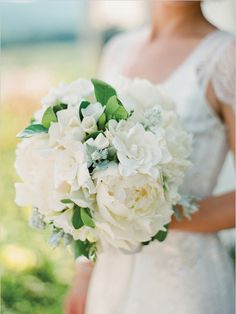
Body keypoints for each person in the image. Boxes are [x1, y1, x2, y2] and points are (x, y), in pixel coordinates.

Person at [65, 1, 235, 313]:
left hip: (185, 284)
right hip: (109, 278)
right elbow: (89, 174)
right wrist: (83, 272)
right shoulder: (117, 50)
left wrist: (149, 215)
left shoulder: (226, 57)